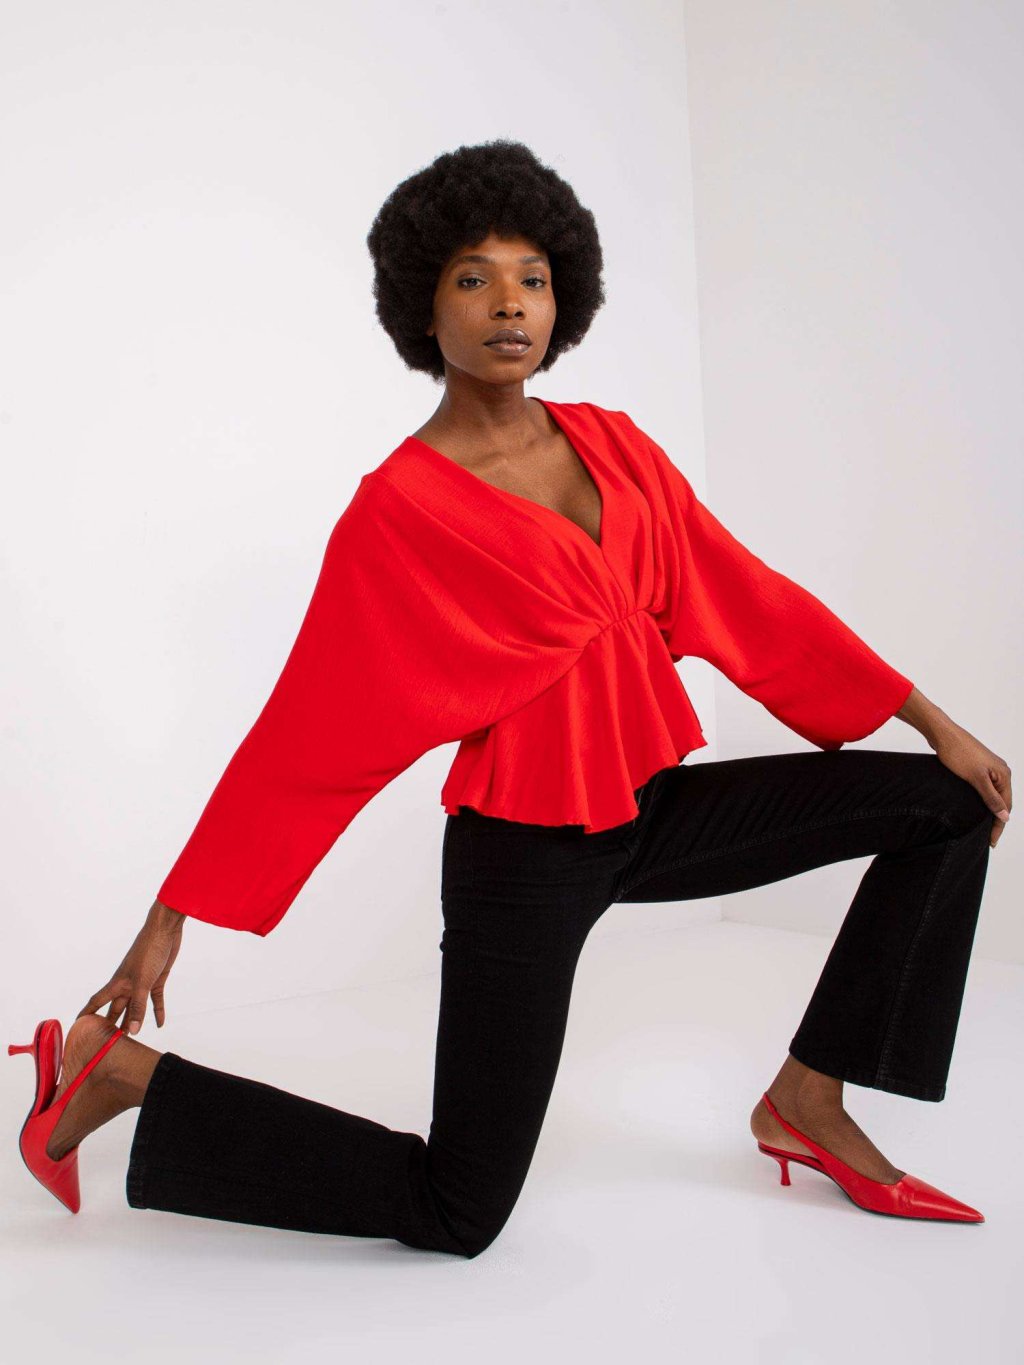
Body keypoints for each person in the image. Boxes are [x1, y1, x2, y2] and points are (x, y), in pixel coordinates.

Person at [10, 139, 1012, 1255]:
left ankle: (809, 1100)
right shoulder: (398, 512)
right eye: (473, 278)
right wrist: (169, 918)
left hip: (646, 813)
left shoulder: (617, 449)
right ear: (423, 306)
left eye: (532, 277)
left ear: (562, 295)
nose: (508, 304)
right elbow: (307, 731)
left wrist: (933, 719)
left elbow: (754, 600)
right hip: (520, 862)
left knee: (945, 804)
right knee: (460, 1209)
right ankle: (120, 1074)